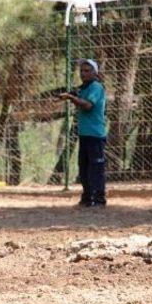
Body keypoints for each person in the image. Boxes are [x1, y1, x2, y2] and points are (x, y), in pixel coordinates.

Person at [59, 59, 107, 207]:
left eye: (87, 71)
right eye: (82, 71)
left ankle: (99, 199)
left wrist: (71, 98)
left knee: (96, 167)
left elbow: (87, 105)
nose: (83, 74)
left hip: (95, 134)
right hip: (85, 134)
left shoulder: (96, 87)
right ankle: (87, 198)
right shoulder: (84, 88)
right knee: (84, 167)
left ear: (94, 73)